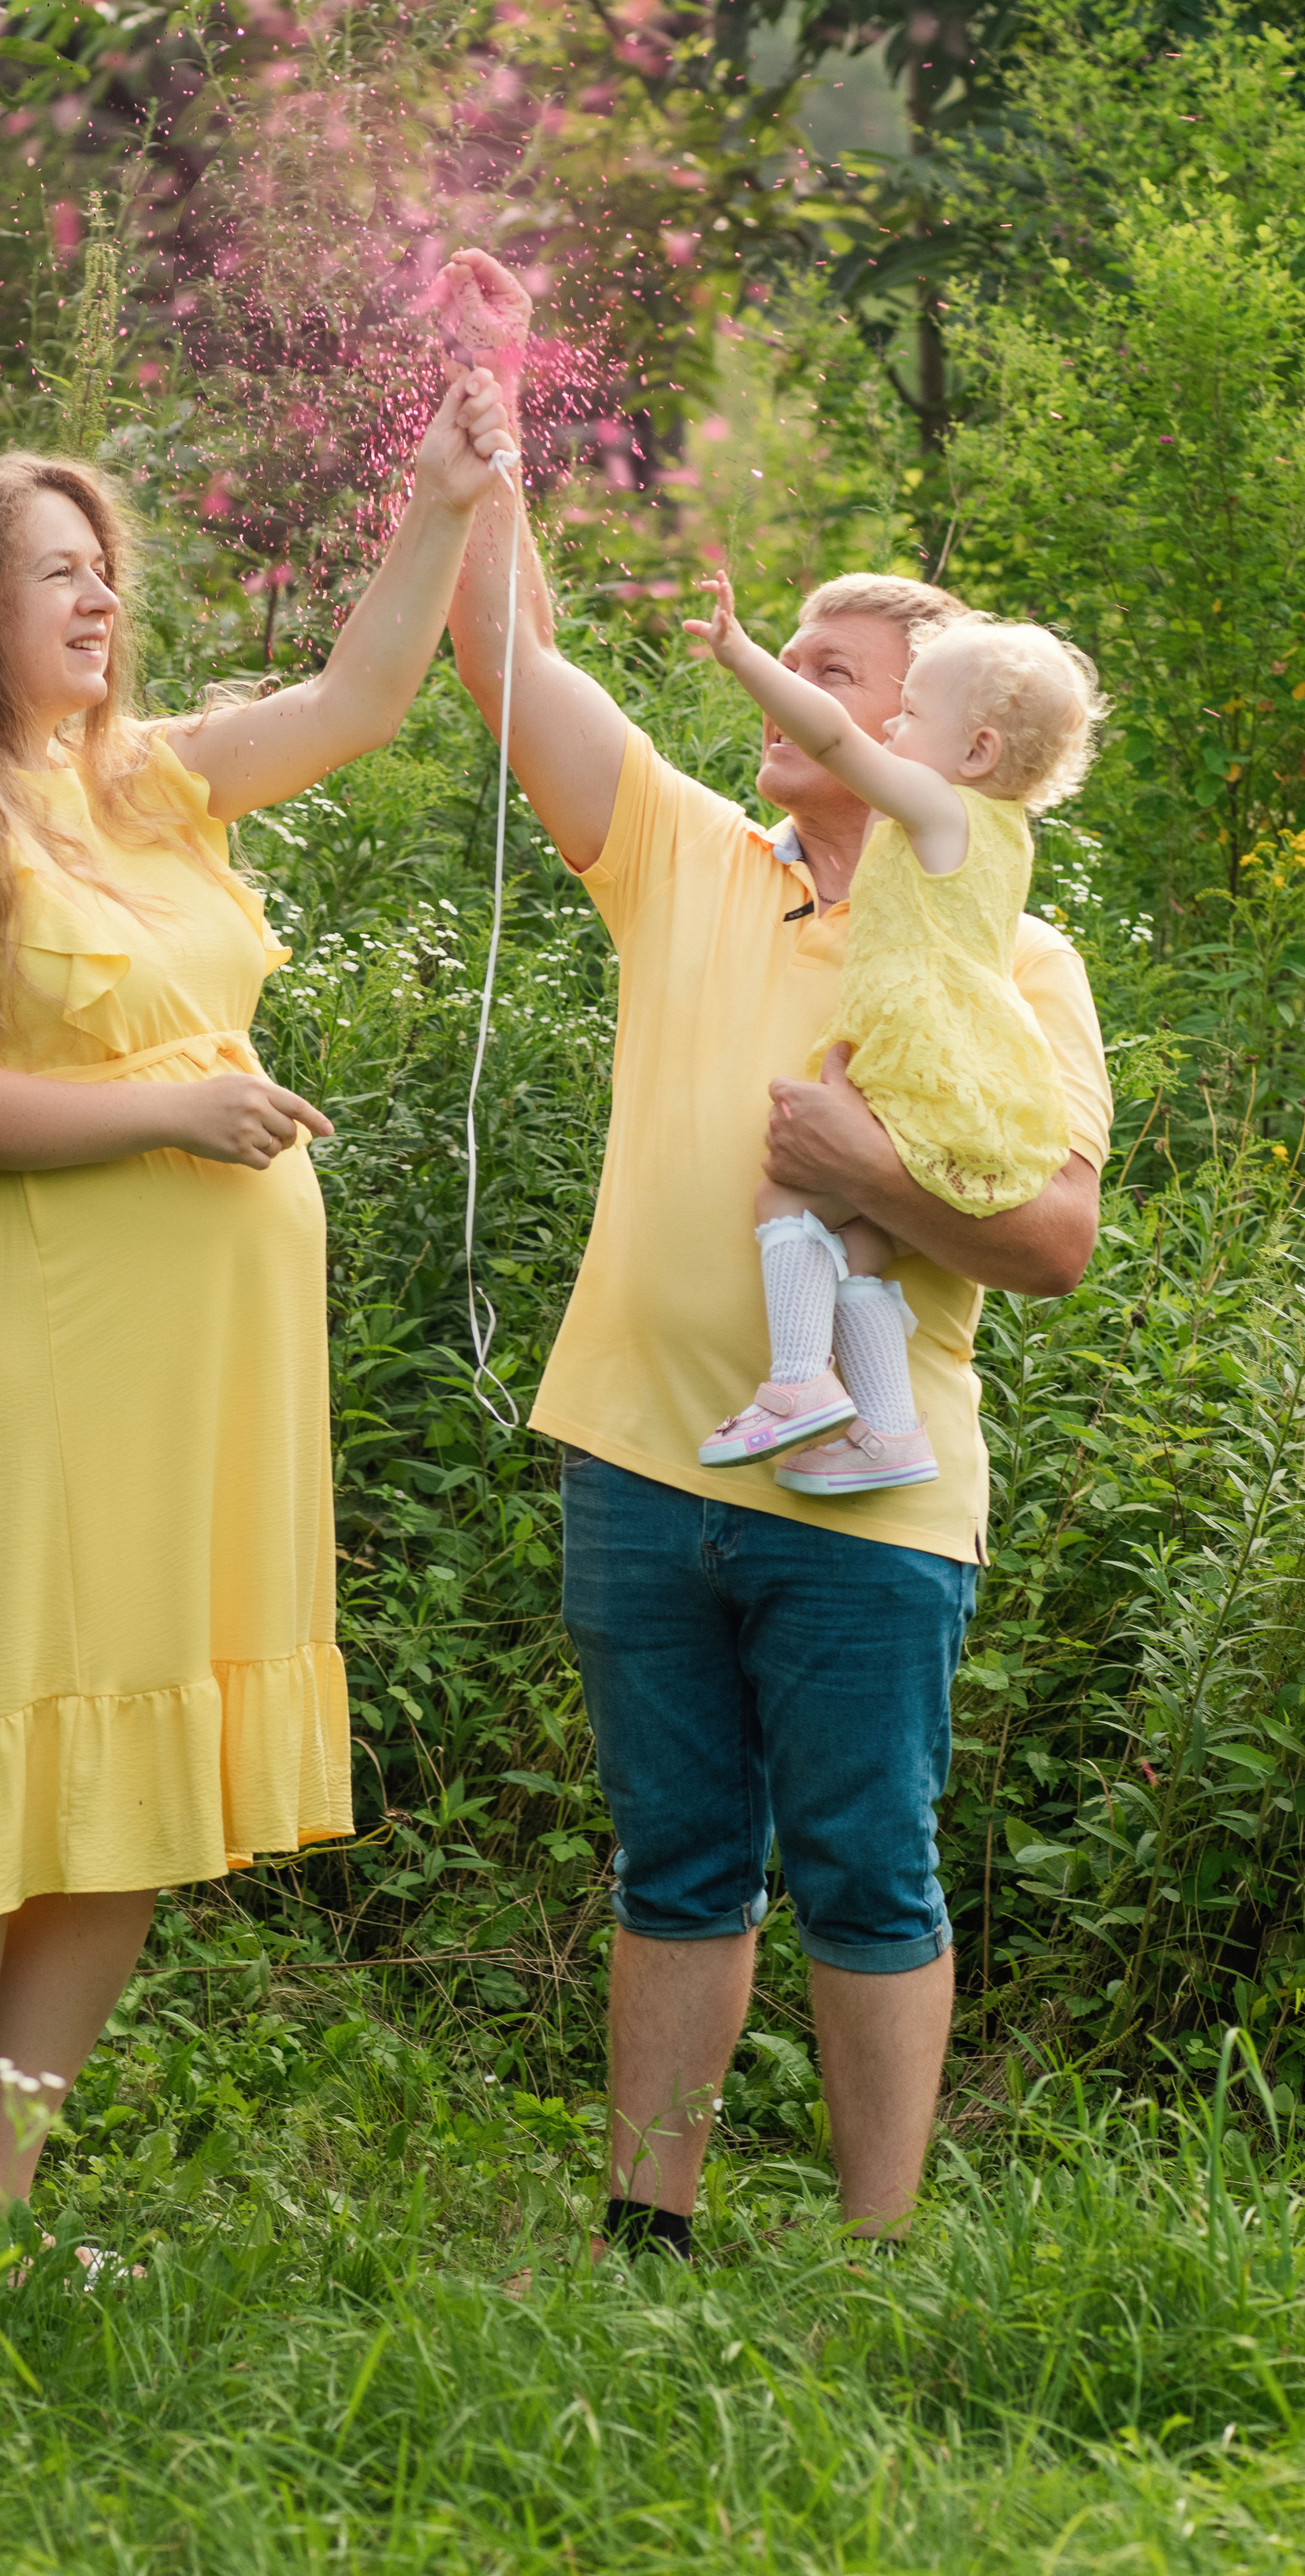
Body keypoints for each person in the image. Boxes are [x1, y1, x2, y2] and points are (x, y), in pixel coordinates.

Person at [0, 367, 516, 2263]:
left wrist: (438, 497)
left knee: (130, 1791)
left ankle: (5, 2212)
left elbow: (360, 696)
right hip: (29, 1345)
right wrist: (171, 1107)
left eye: (107, 569)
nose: (103, 600)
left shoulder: (145, 778)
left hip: (201, 1364)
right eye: (56, 572)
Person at [436, 251, 1110, 2253]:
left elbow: (1057, 1237)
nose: (797, 681)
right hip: (642, 1454)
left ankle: (879, 2245)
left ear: (941, 738)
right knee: (672, 1854)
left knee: (864, 1861)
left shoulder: (1013, 949)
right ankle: (648, 2216)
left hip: (872, 1493)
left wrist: (861, 1174)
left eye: (842, 661)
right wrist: (491, 424)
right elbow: (507, 658)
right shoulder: (683, 863)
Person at [688, 578, 1106, 1497]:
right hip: (966, 1056)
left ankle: (797, 1382)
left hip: (912, 1042)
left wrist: (742, 655)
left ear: (976, 749)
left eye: (909, 712)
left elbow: (834, 740)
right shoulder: (1002, 832)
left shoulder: (938, 807)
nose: (885, 732)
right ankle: (886, 1428)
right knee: (867, 1245)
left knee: (787, 1198)